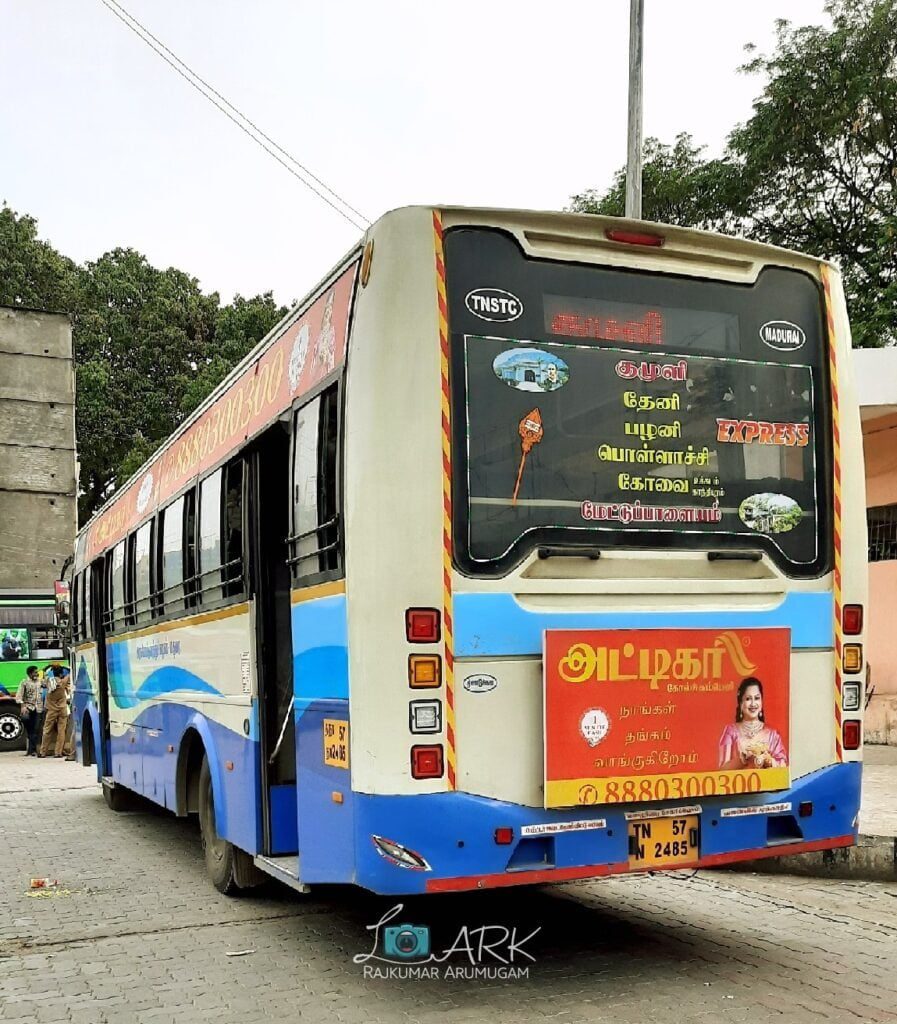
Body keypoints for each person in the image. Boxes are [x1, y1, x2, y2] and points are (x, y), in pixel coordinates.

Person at [718, 677, 788, 770]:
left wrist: (769, 761)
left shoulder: (772, 735)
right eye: (748, 699)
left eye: (757, 698)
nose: (753, 703)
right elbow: (722, 770)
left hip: (768, 784)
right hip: (739, 784)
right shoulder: (731, 731)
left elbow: (783, 767)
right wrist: (743, 759)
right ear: (741, 703)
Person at [40, 666, 71, 758]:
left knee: (47, 730)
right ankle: (58, 752)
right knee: (61, 731)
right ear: (61, 674)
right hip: (62, 709)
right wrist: (64, 667)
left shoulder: (49, 681)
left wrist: (46, 667)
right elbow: (70, 672)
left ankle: (43, 752)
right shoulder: (64, 681)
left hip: (51, 710)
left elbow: (41, 675)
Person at [16, 666, 45, 756]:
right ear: (30, 674)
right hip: (28, 708)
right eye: (34, 672)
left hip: (39, 708)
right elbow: (19, 696)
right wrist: (23, 706)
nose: (36, 674)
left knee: (36, 729)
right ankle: (32, 750)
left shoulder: (41, 682)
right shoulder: (24, 682)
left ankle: (32, 750)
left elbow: (50, 685)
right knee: (29, 729)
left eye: (37, 672)